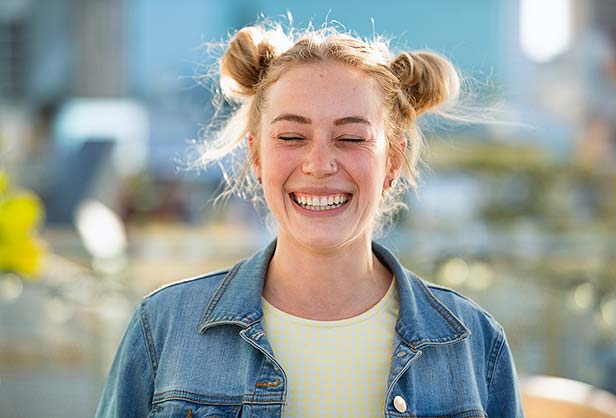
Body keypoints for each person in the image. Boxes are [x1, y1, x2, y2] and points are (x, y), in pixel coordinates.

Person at [95, 23, 524, 418]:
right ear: (257, 155)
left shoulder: (475, 344)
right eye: (291, 137)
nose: (319, 164)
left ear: (392, 159)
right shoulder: (163, 328)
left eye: (351, 137)